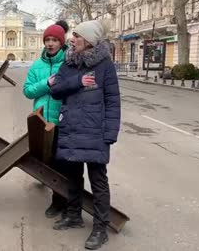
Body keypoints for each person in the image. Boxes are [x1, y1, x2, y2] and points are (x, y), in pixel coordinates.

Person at [49, 20, 121, 250]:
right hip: (71, 129)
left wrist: (110, 133)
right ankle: (74, 216)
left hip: (95, 133)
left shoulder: (105, 66)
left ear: (89, 40)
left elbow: (112, 101)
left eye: (77, 36)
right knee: (73, 177)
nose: (72, 39)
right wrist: (77, 81)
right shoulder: (69, 63)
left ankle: (100, 228)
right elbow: (56, 90)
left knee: (98, 181)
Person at [23, 22, 69, 218]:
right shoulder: (37, 65)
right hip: (41, 121)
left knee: (62, 164)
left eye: (55, 40)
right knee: (46, 162)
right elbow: (27, 90)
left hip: (62, 121)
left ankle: (59, 202)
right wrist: (47, 83)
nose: (50, 44)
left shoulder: (69, 63)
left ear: (61, 42)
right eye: (48, 40)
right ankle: (57, 200)